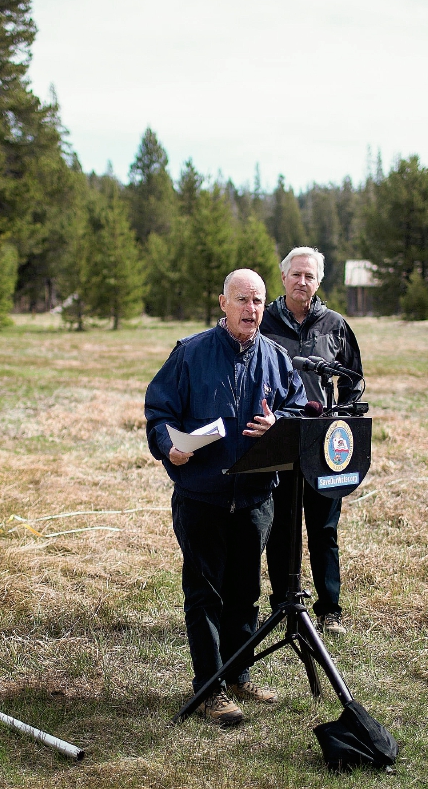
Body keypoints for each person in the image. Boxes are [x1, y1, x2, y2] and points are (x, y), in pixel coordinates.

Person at [145, 269, 306, 726]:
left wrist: (281, 424)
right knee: (205, 594)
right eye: (242, 300)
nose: (251, 310)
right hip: (202, 496)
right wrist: (166, 446)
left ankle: (239, 675)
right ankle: (210, 688)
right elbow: (159, 411)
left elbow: (297, 408)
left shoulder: (275, 358)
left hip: (256, 499)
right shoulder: (190, 354)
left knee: (245, 592)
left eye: (257, 301)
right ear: (222, 303)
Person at [260, 247, 363, 636]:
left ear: (319, 282)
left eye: (310, 276)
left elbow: (353, 379)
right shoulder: (262, 321)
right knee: (280, 526)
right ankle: (283, 605)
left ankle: (329, 609)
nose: (302, 282)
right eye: (296, 274)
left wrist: (343, 419)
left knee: (323, 528)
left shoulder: (334, 324)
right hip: (278, 437)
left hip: (323, 443)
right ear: (283, 277)